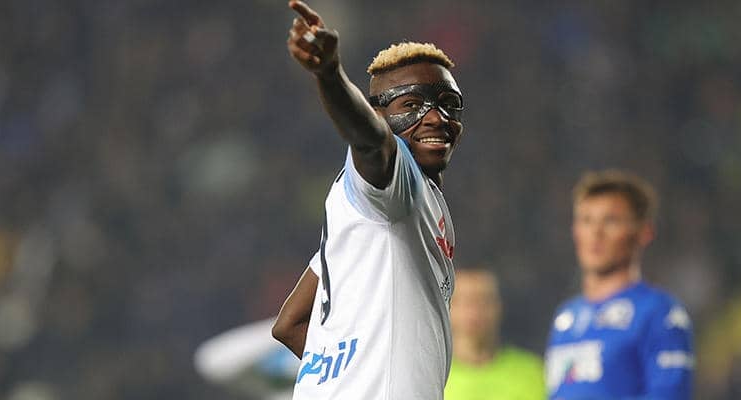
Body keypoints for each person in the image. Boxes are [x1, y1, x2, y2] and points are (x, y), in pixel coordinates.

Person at [271, 1, 466, 399]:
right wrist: (330, 75)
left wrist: (346, 379)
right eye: (412, 104)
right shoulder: (396, 183)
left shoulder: (364, 219)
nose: (436, 117)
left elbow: (290, 323)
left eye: (449, 103)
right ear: (379, 114)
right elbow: (371, 141)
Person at [545, 170, 695, 399]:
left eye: (611, 221)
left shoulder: (658, 313)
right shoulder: (565, 319)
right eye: (586, 220)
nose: (596, 232)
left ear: (643, 233)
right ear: (575, 231)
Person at [445, 268, 545, 400]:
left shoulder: (534, 373)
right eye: (466, 302)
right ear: (448, 307)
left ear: (500, 306)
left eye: (483, 301)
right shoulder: (434, 376)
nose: (474, 311)